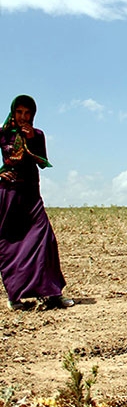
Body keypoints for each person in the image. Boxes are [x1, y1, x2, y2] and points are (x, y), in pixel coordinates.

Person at [0, 95, 73, 311]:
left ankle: (52, 294)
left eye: (27, 112)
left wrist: (31, 139)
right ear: (13, 112)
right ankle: (15, 296)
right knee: (11, 246)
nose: (23, 116)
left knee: (46, 240)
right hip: (9, 195)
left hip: (31, 194)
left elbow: (43, 162)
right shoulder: (3, 134)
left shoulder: (38, 134)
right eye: (19, 112)